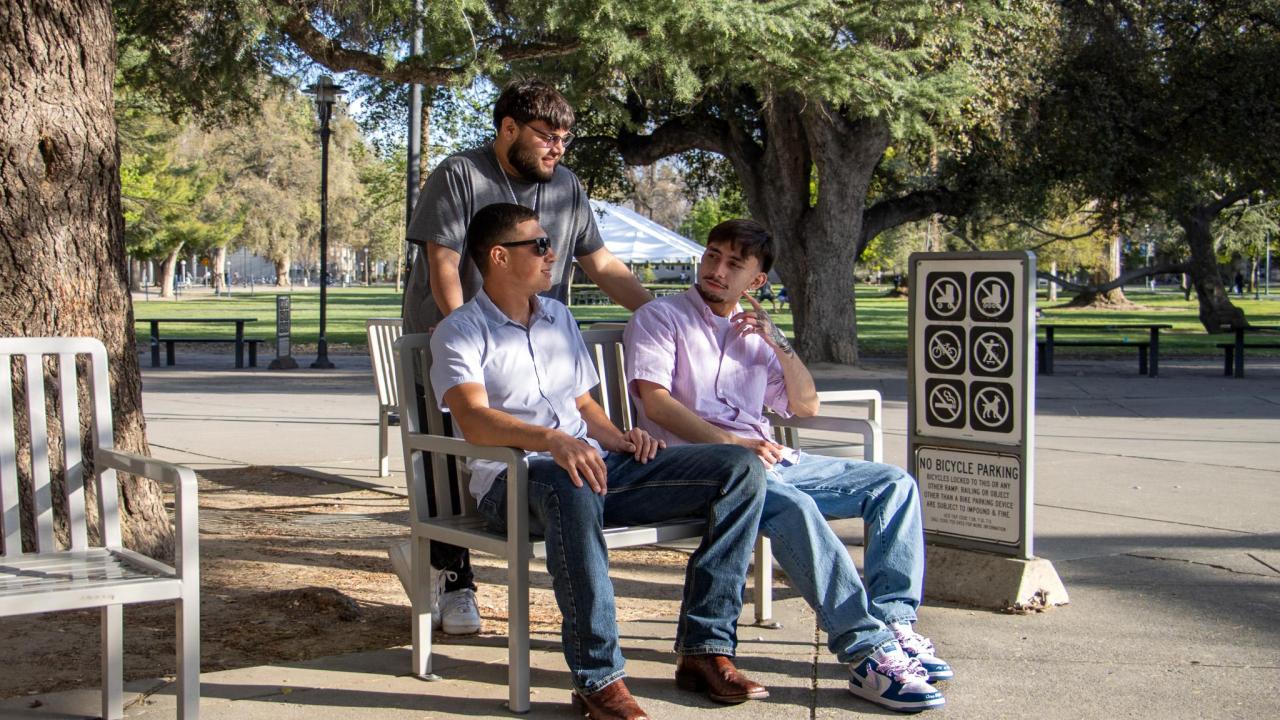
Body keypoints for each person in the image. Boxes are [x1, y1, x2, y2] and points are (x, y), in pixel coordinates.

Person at [430, 203, 769, 718]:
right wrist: (552, 441)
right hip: (515, 482)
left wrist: (620, 438)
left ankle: (704, 649)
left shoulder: (559, 317)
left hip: (589, 470)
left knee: (738, 468)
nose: (552, 254)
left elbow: (584, 405)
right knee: (571, 481)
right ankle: (598, 678)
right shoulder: (460, 330)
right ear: (499, 257)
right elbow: (475, 420)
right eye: (539, 245)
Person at [623, 219, 951, 713]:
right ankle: (867, 652)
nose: (717, 269)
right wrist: (734, 444)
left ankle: (894, 623)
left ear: (756, 281)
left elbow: (806, 405)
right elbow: (657, 405)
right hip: (700, 468)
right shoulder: (661, 317)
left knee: (893, 485)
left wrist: (779, 341)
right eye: (713, 255)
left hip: (770, 461)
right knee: (794, 506)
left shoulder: (754, 333)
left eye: (734, 264)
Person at [402, 79, 653, 634]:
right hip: (460, 344)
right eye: (546, 135)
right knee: (448, 468)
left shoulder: (566, 186)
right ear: (508, 128)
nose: (556, 148)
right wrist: (467, 332)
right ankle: (453, 580)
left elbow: (602, 264)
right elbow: (444, 263)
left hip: (541, 347)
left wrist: (661, 315)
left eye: (565, 138)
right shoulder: (461, 174)